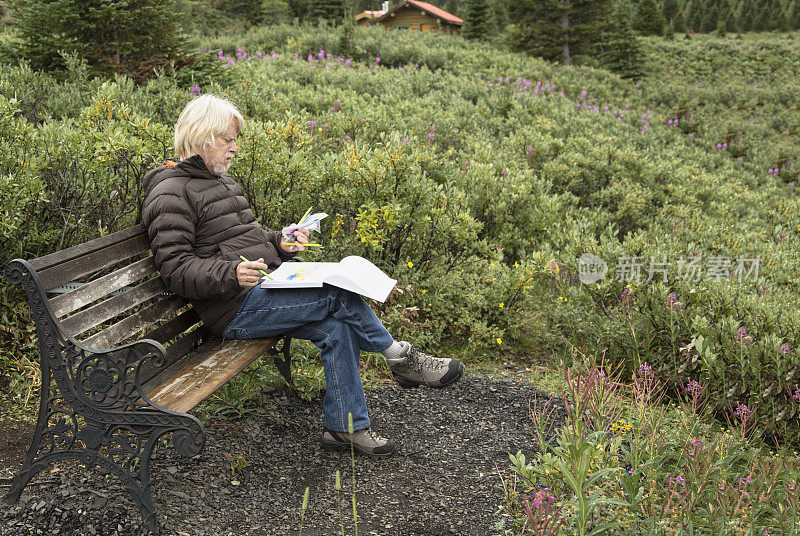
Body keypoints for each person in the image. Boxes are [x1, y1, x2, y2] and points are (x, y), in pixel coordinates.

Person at [140, 94, 465, 458]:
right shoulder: (171, 192)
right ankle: (401, 360)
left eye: (236, 139)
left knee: (337, 327)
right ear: (203, 138)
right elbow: (175, 269)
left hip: (262, 291)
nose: (235, 148)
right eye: (228, 139)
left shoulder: (222, 183)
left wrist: (281, 242)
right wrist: (231, 273)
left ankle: (346, 429)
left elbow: (248, 240)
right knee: (337, 294)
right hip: (233, 310)